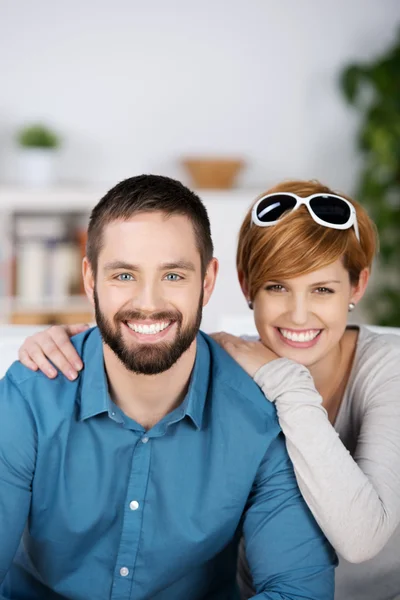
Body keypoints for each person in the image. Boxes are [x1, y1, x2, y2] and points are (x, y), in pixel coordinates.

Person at [22, 178, 400, 600]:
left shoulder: (379, 369)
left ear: (358, 286)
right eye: (277, 286)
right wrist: (78, 341)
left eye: (323, 290)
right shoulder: (236, 362)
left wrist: (290, 385)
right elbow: (151, 330)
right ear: (245, 286)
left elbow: (362, 539)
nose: (298, 314)